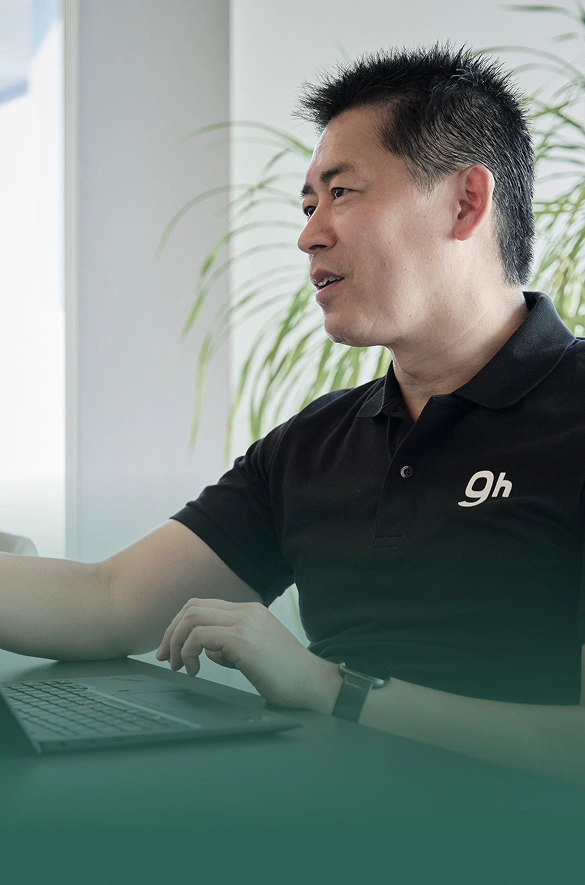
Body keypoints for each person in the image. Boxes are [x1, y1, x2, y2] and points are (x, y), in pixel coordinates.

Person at [1, 43, 584, 787]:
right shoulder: (313, 444)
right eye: (309, 205)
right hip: (312, 815)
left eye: (342, 193)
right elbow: (106, 601)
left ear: (465, 202)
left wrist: (334, 690)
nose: (310, 234)